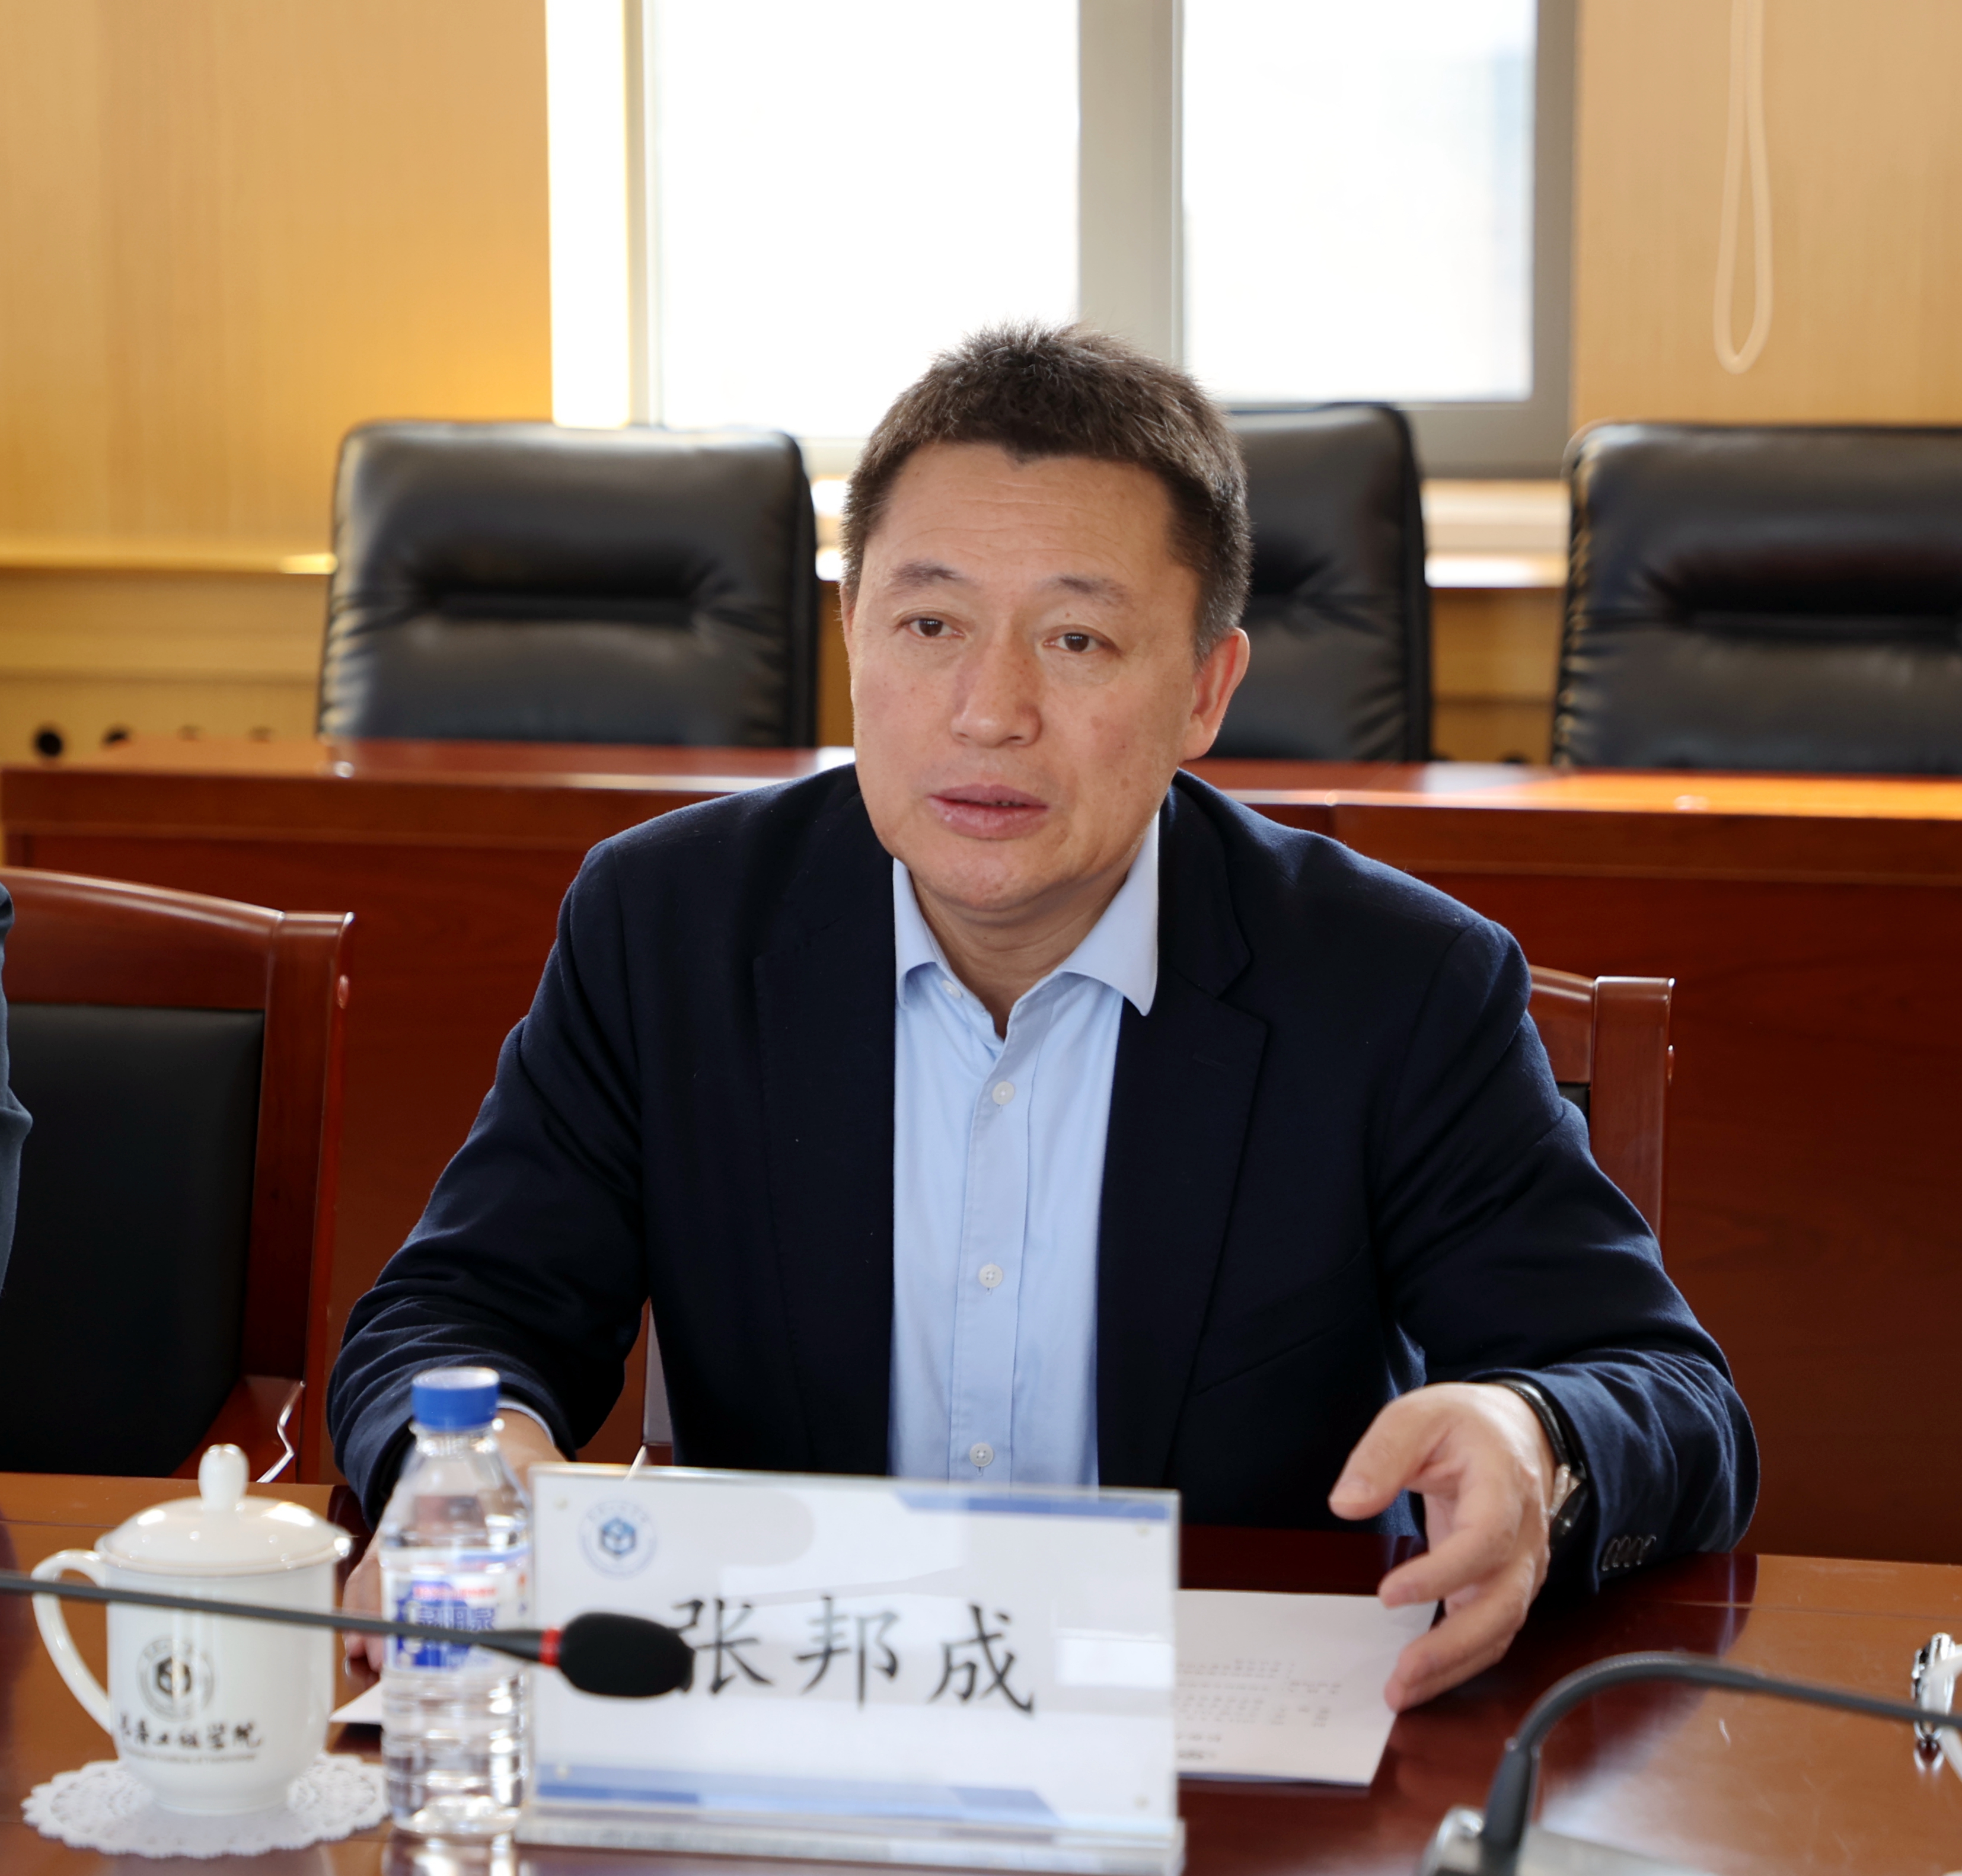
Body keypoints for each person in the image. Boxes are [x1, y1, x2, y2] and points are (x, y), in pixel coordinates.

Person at [331, 324, 1754, 1708]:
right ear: (851, 636)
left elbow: (1664, 1393)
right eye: (930, 624)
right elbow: (460, 1311)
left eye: (1077, 639)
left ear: (1203, 690)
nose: (988, 710)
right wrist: (470, 1462)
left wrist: (1529, 1434)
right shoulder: (668, 929)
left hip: (1220, 1759)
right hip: (788, 1717)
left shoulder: (1393, 983)